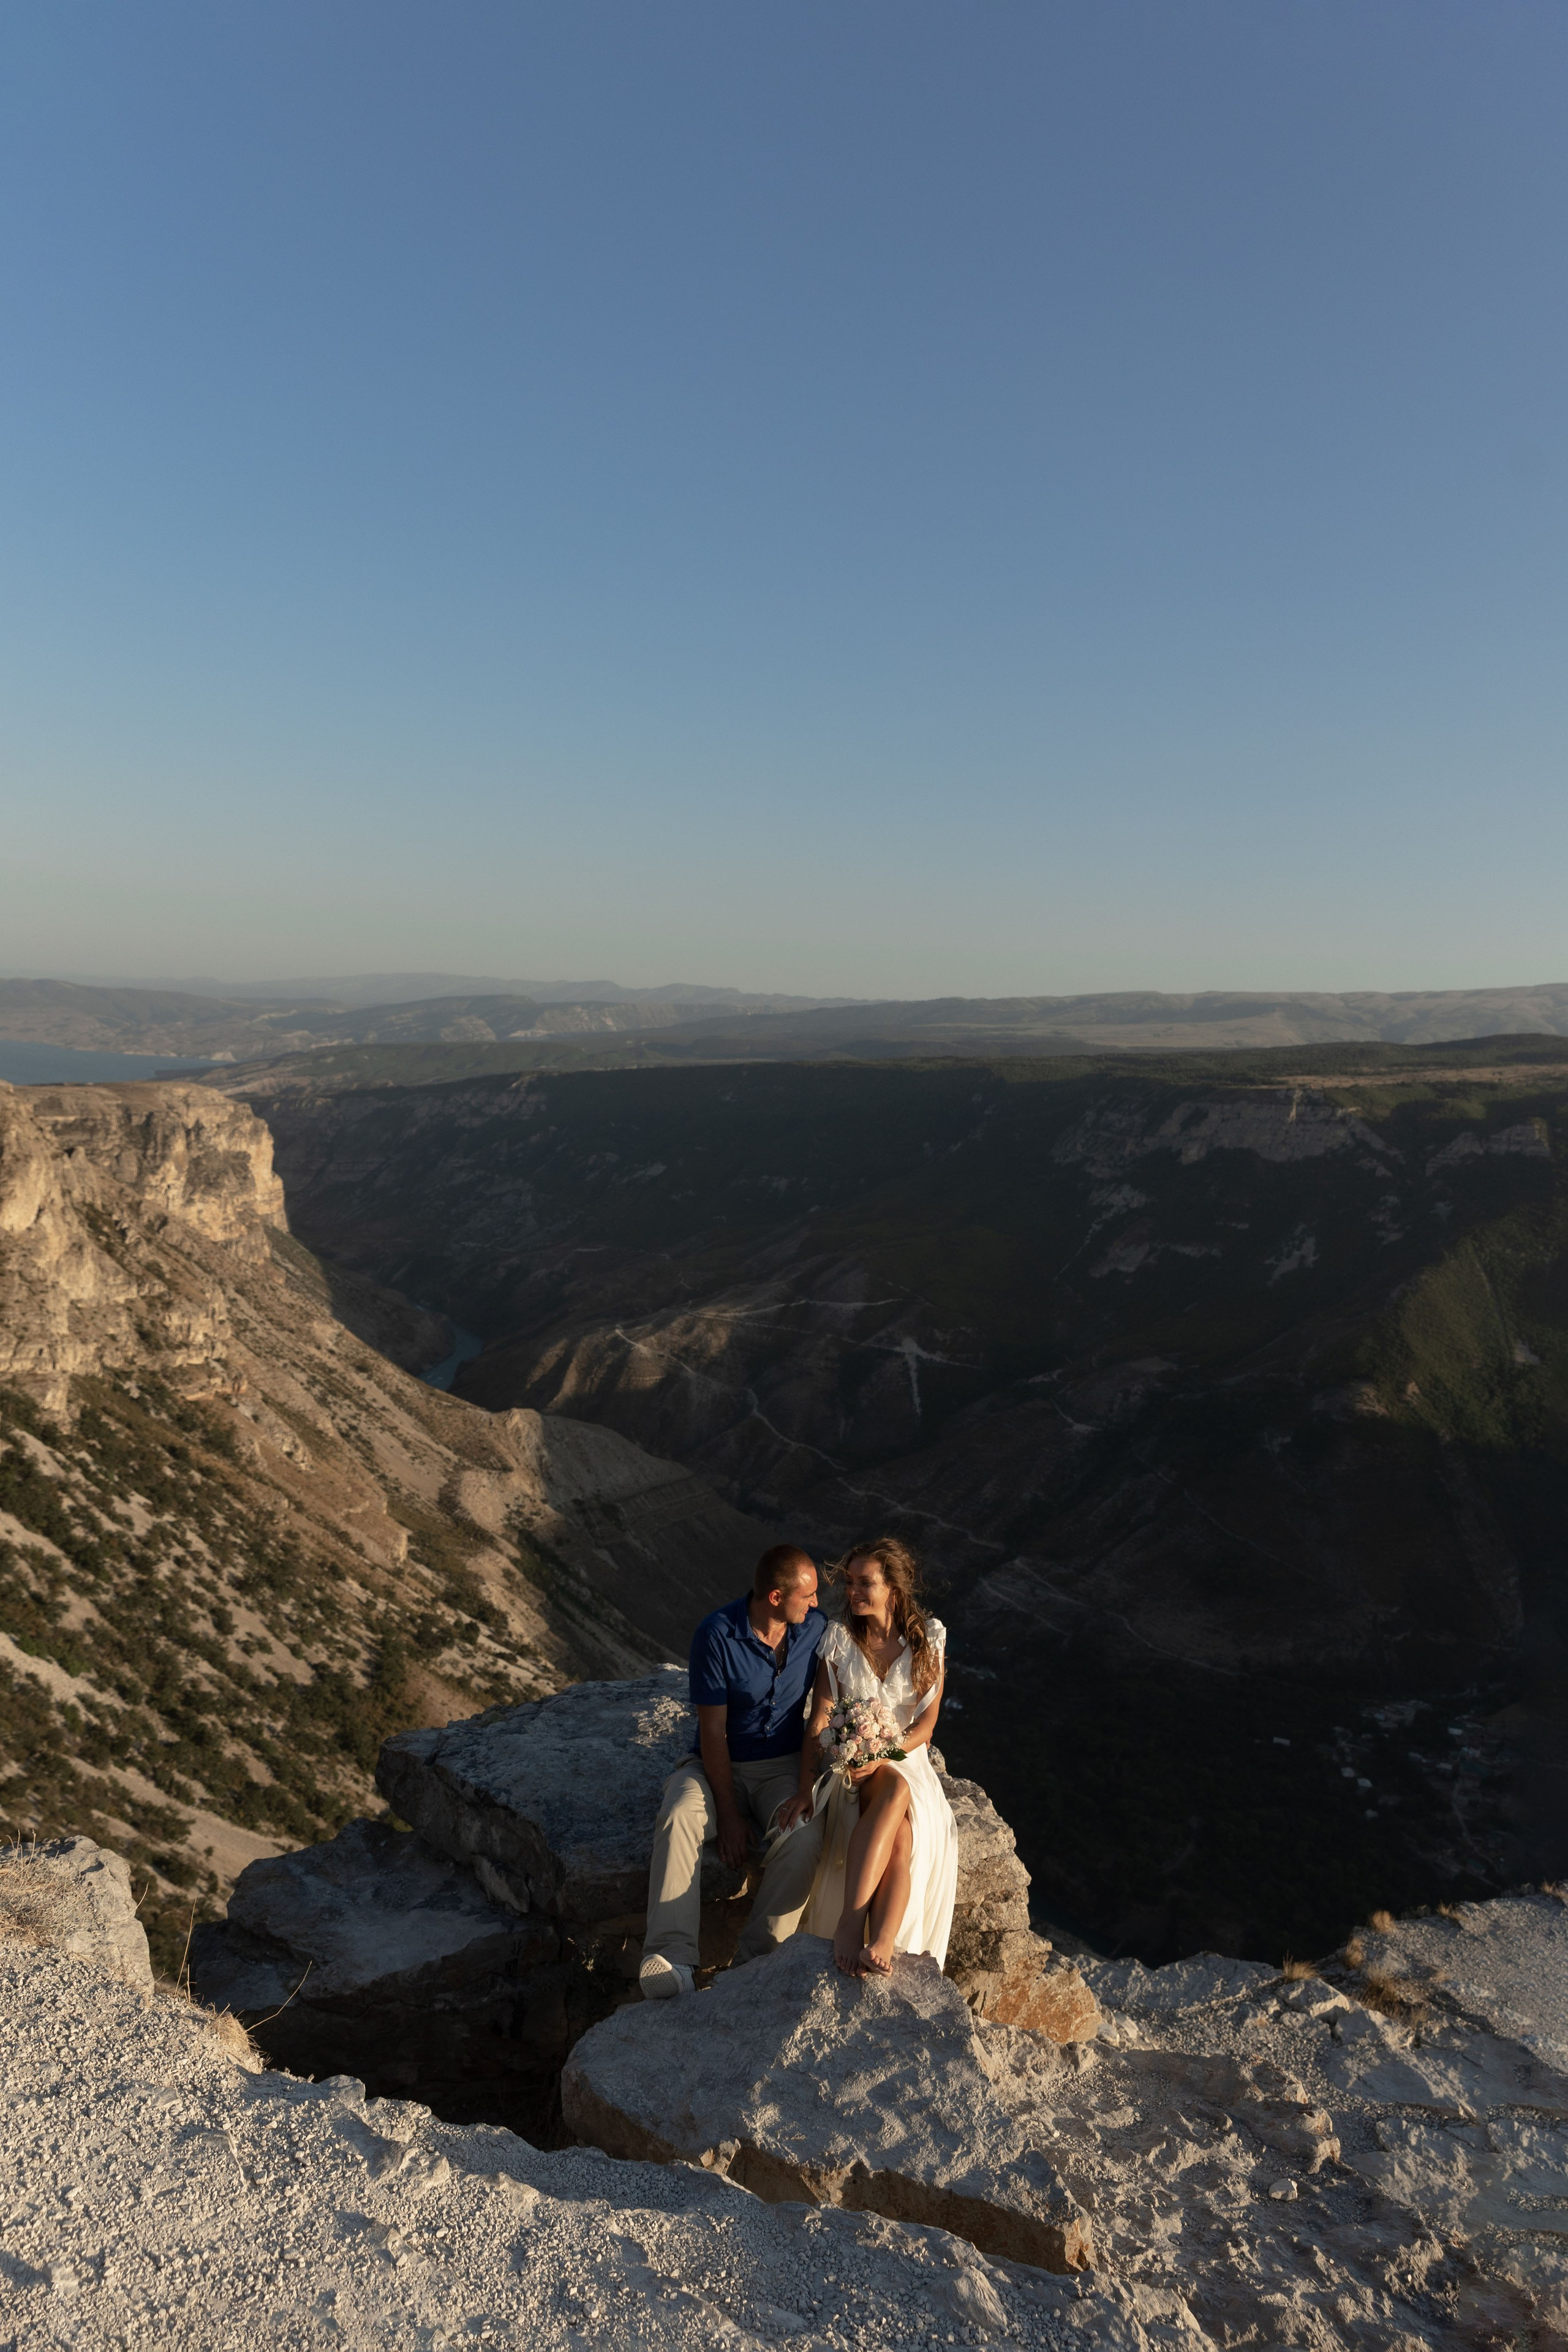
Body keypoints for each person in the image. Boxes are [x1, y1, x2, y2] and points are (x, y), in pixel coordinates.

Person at [639, 1545, 827, 1999]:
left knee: (802, 1836)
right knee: (680, 1815)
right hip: (714, 1763)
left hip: (781, 1766)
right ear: (777, 1597)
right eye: (809, 1595)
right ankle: (673, 1961)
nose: (818, 1604)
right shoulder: (716, 1635)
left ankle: (753, 1965)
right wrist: (728, 1815)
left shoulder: (816, 1630)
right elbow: (713, 1733)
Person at [799, 1534, 957, 1977]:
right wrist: (841, 1748)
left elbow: (924, 1729)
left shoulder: (928, 1640)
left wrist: (882, 1750)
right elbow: (822, 1714)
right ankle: (860, 1928)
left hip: (905, 1760)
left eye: (864, 1583)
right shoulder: (839, 1640)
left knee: (903, 1825)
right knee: (894, 1799)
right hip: (848, 1764)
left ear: (894, 1587)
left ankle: (879, 1935)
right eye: (850, 1583)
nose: (852, 1592)